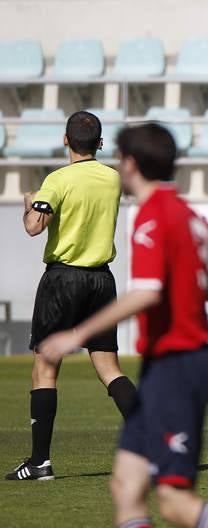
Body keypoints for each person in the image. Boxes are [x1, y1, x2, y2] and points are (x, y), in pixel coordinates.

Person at [37, 123, 208, 528]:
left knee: (172, 502)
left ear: (131, 163)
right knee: (126, 487)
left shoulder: (153, 217)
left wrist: (77, 334)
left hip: (179, 367)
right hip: (173, 367)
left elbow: (147, 293)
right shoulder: (192, 218)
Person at [6, 111, 137, 481]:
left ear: (65, 140)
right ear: (99, 143)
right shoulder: (111, 178)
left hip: (63, 279)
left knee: (46, 368)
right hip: (101, 281)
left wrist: (30, 204)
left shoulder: (57, 180)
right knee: (109, 369)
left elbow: (34, 227)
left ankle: (39, 463)